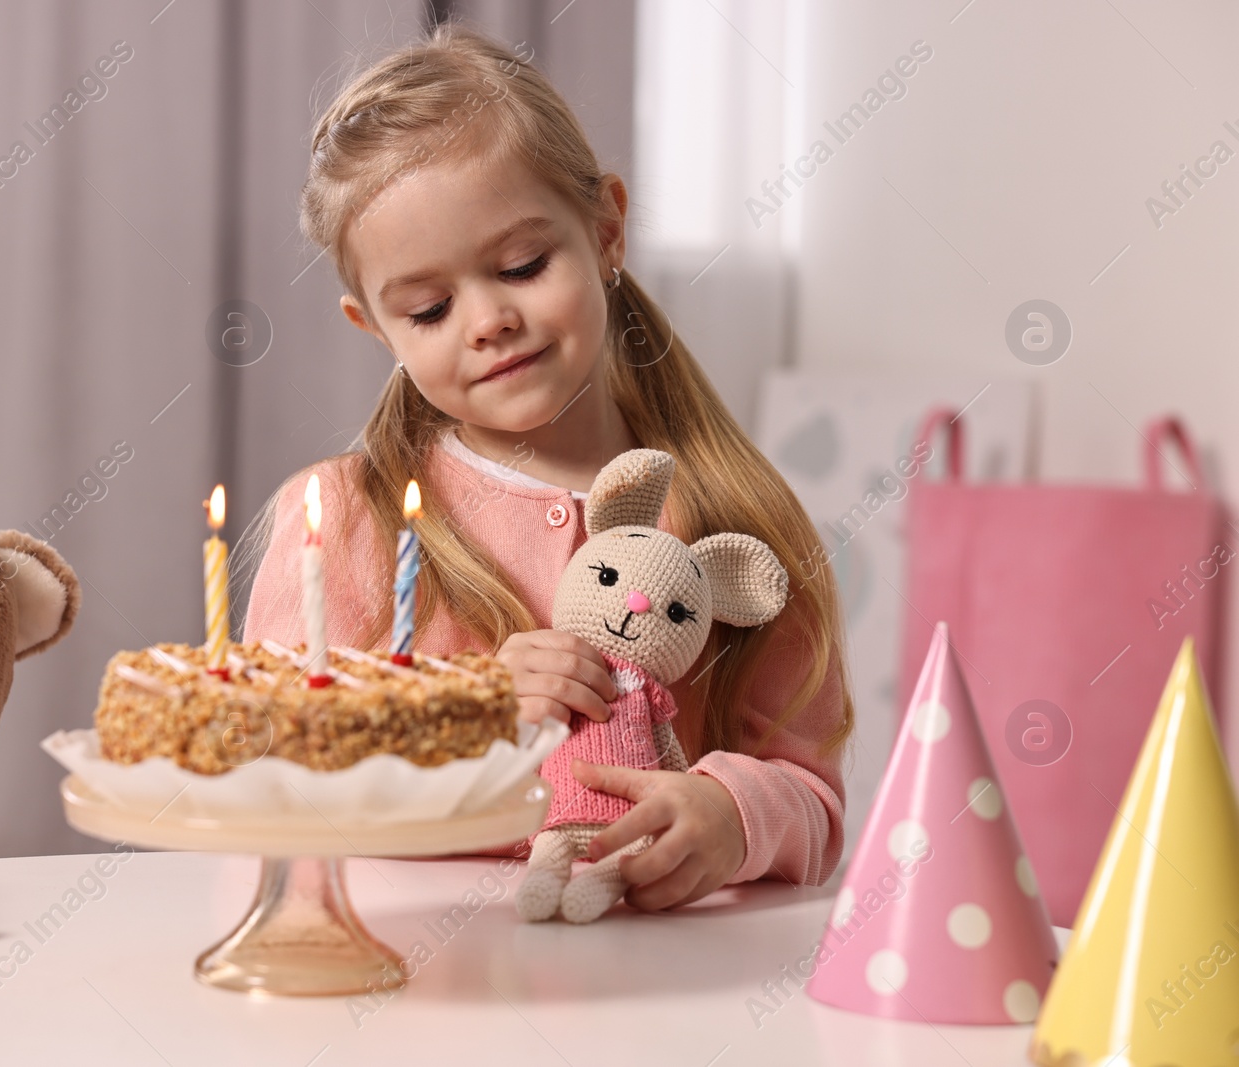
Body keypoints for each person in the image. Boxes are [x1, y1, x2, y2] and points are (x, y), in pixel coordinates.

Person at [237, 23, 853, 912]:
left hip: (667, 1001)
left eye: (523, 265)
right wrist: (462, 716)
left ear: (607, 229)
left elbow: (813, 794)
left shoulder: (731, 513)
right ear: (375, 328)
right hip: (422, 1002)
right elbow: (272, 772)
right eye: (430, 307)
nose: (486, 319)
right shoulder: (342, 519)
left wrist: (734, 813)